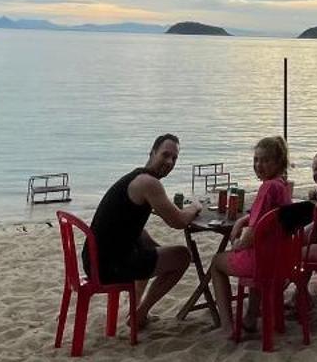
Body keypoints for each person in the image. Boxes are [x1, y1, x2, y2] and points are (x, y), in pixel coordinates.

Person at [86, 132, 201, 327]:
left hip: (94, 260)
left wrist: (156, 251)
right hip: (108, 267)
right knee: (183, 256)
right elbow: (179, 221)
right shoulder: (149, 183)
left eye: (174, 158)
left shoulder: (136, 177)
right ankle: (140, 314)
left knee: (144, 240)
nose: (170, 161)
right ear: (152, 152)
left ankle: (136, 308)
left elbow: (131, 228)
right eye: (165, 154)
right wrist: (195, 207)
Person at [209, 135, 294, 340]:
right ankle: (249, 317)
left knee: (216, 263)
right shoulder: (282, 185)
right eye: (256, 160)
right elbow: (267, 216)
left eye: (265, 160)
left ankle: (227, 326)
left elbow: (253, 233)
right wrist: (243, 220)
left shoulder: (267, 188)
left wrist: (237, 243)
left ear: (278, 162)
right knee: (255, 256)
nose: (259, 165)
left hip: (263, 261)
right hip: (280, 257)